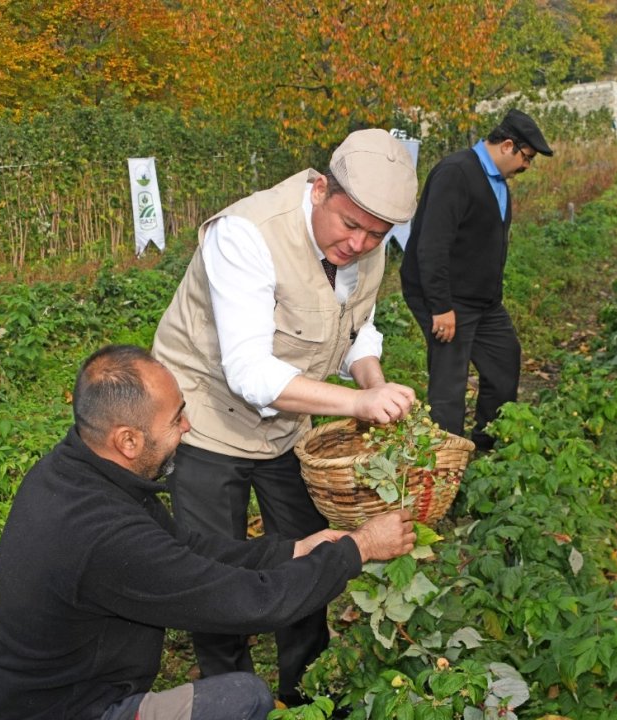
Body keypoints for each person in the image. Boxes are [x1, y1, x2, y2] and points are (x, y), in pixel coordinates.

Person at [0, 345, 417, 720]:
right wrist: (358, 548)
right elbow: (251, 603)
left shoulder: (75, 470)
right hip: (66, 711)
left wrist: (295, 549)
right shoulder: (105, 536)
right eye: (176, 418)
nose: (187, 425)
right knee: (243, 699)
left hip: (35, 697)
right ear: (128, 440)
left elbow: (186, 549)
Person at [151, 129, 419, 706]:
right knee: (214, 569)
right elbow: (249, 372)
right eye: (351, 225)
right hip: (204, 419)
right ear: (321, 188)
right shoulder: (247, 234)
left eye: (378, 234)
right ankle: (228, 696)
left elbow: (355, 324)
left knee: (311, 552)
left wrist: (371, 377)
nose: (360, 243)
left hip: (285, 427)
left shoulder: (364, 248)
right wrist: (356, 403)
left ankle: (306, 693)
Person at [398, 109, 553, 452]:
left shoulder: (498, 182)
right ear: (508, 145)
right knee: (449, 383)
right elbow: (431, 245)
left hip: (484, 302)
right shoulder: (456, 173)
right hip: (448, 299)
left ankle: (486, 448)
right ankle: (445, 467)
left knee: (504, 363)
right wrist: (441, 307)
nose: (527, 167)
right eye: (526, 158)